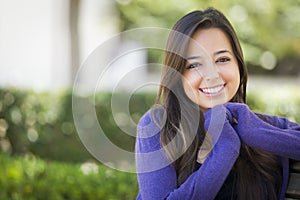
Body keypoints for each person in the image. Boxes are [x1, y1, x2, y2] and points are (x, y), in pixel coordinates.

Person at [135, 7, 300, 200]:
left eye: (222, 59)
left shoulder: (256, 124)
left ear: (238, 64)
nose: (212, 75)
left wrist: (253, 132)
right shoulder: (158, 127)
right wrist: (224, 150)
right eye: (194, 65)